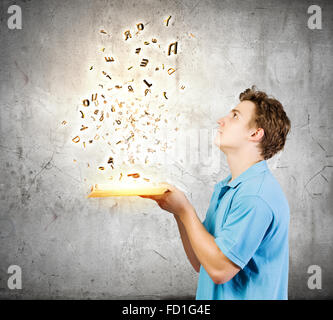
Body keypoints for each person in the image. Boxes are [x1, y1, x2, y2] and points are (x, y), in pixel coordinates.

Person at [141, 86, 291, 300]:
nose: (221, 120)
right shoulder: (228, 188)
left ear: (255, 133)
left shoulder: (256, 197)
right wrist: (176, 211)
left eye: (235, 116)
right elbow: (202, 262)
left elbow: (220, 270)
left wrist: (185, 211)